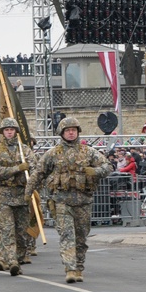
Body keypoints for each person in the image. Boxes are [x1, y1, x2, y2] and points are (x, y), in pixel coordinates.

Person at [24, 117, 111, 283]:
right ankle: (70, 268)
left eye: (74, 130)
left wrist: (95, 171)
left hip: (83, 201)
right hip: (61, 201)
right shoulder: (53, 154)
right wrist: (28, 192)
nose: (71, 133)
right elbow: (39, 173)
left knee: (81, 237)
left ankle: (79, 266)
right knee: (67, 235)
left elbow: (107, 166)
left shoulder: (88, 152)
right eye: (67, 130)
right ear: (61, 133)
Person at [0, 118, 35, 275]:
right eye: (6, 130)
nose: (9, 132)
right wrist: (16, 168)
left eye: (12, 129)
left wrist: (32, 186)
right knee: (7, 230)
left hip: (21, 195)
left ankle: (19, 257)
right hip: (3, 195)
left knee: (21, 232)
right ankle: (12, 261)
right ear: (2, 132)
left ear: (16, 131)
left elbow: (35, 170)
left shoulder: (25, 150)